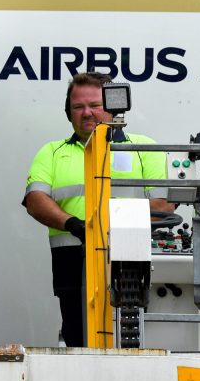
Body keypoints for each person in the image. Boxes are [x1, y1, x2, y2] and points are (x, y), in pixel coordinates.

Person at [23, 72, 172, 347]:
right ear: (67, 112)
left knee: (138, 341)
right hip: (72, 260)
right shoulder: (52, 152)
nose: (86, 113)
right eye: (78, 107)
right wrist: (74, 225)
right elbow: (35, 200)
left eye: (94, 105)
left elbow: (164, 204)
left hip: (134, 260)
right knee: (78, 340)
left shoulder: (144, 147)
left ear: (114, 107)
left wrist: (107, 226)